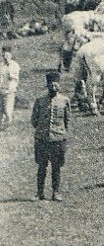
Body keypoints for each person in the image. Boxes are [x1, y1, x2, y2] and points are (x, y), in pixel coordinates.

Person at [30, 71, 70, 200]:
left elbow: (66, 120)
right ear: (47, 85)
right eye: (51, 85)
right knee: (42, 166)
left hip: (58, 139)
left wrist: (60, 132)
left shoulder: (64, 101)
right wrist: (42, 131)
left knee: (56, 167)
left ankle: (56, 192)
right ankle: (39, 193)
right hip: (42, 139)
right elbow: (34, 120)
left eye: (56, 85)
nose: (54, 88)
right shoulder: (40, 101)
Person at [1, 45, 19, 128]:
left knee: (8, 109)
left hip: (10, 90)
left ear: (10, 55)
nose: (5, 57)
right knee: (1, 109)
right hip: (1, 89)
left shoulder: (15, 65)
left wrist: (11, 75)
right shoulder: (1, 65)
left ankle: (8, 125)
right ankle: (2, 124)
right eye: (3, 55)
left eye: (7, 56)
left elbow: (16, 77)